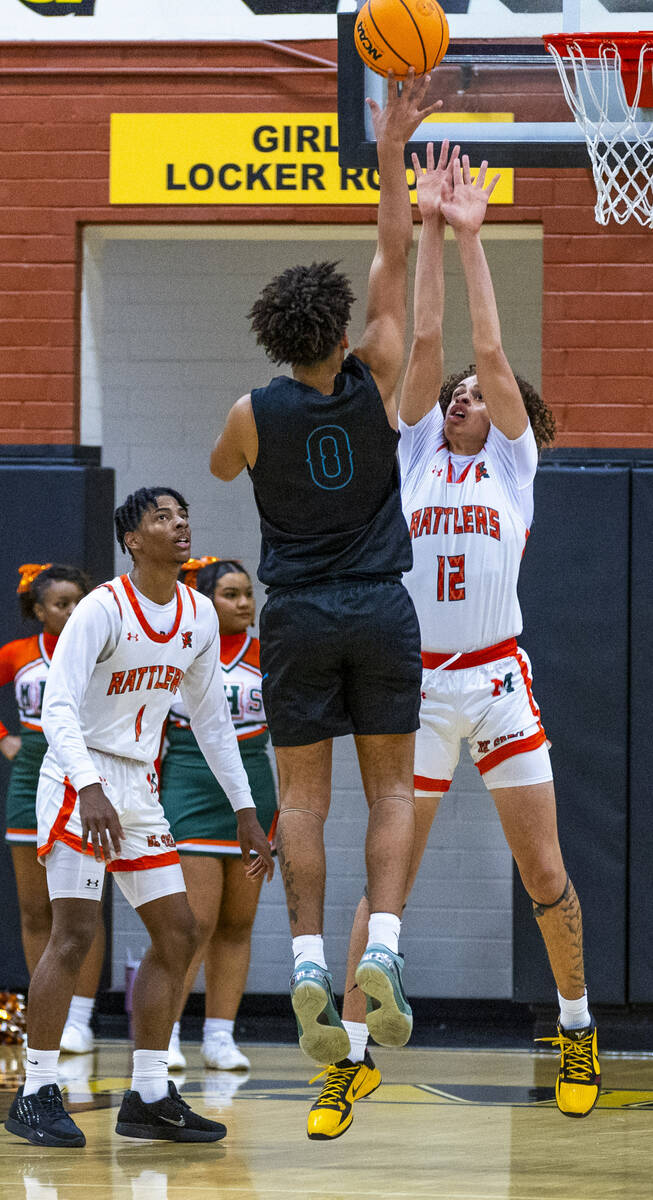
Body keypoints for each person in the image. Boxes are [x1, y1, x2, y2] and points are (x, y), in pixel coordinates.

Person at [307, 144, 599, 1139]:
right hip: (417, 689)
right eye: (457, 394)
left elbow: (480, 341)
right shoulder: (417, 453)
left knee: (542, 872)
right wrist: (429, 227)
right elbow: (427, 339)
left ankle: (573, 1026)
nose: (463, 395)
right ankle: (348, 1060)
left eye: (478, 392)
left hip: (498, 683)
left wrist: (478, 244)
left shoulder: (513, 465)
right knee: (384, 876)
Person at [210, 71, 442, 1068]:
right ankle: (379, 948)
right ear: (341, 334)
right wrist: (391, 145)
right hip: (381, 607)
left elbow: (220, 467)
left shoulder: (249, 414)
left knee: (301, 802)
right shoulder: (379, 370)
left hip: (295, 615)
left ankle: (306, 962)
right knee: (392, 795)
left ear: (271, 337)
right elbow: (391, 251)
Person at [4, 487, 274, 1149]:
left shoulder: (198, 615)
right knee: (73, 932)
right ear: (132, 539)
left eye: (184, 517)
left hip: (138, 783)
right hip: (77, 776)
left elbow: (211, 720)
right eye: (163, 517)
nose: (179, 526)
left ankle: (150, 1095)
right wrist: (88, 786)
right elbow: (59, 709)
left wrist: (245, 810)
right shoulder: (102, 609)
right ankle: (36, 1092)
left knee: (179, 933)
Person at [161, 557, 278, 1073]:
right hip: (188, 784)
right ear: (204, 601)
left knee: (237, 922)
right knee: (195, 920)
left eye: (248, 593)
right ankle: (164, 1031)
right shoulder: (178, 655)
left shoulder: (270, 657)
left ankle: (219, 1036)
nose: (245, 602)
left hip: (254, 786)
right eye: (230, 594)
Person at [0, 563, 105, 1055]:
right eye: (61, 603)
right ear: (39, 610)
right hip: (30, 781)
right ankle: (49, 1016)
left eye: (78, 601)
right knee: (34, 908)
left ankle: (80, 1018)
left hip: (84, 776)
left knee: (81, 906)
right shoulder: (19, 654)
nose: (71, 611)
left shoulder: (102, 651)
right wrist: (5, 740)